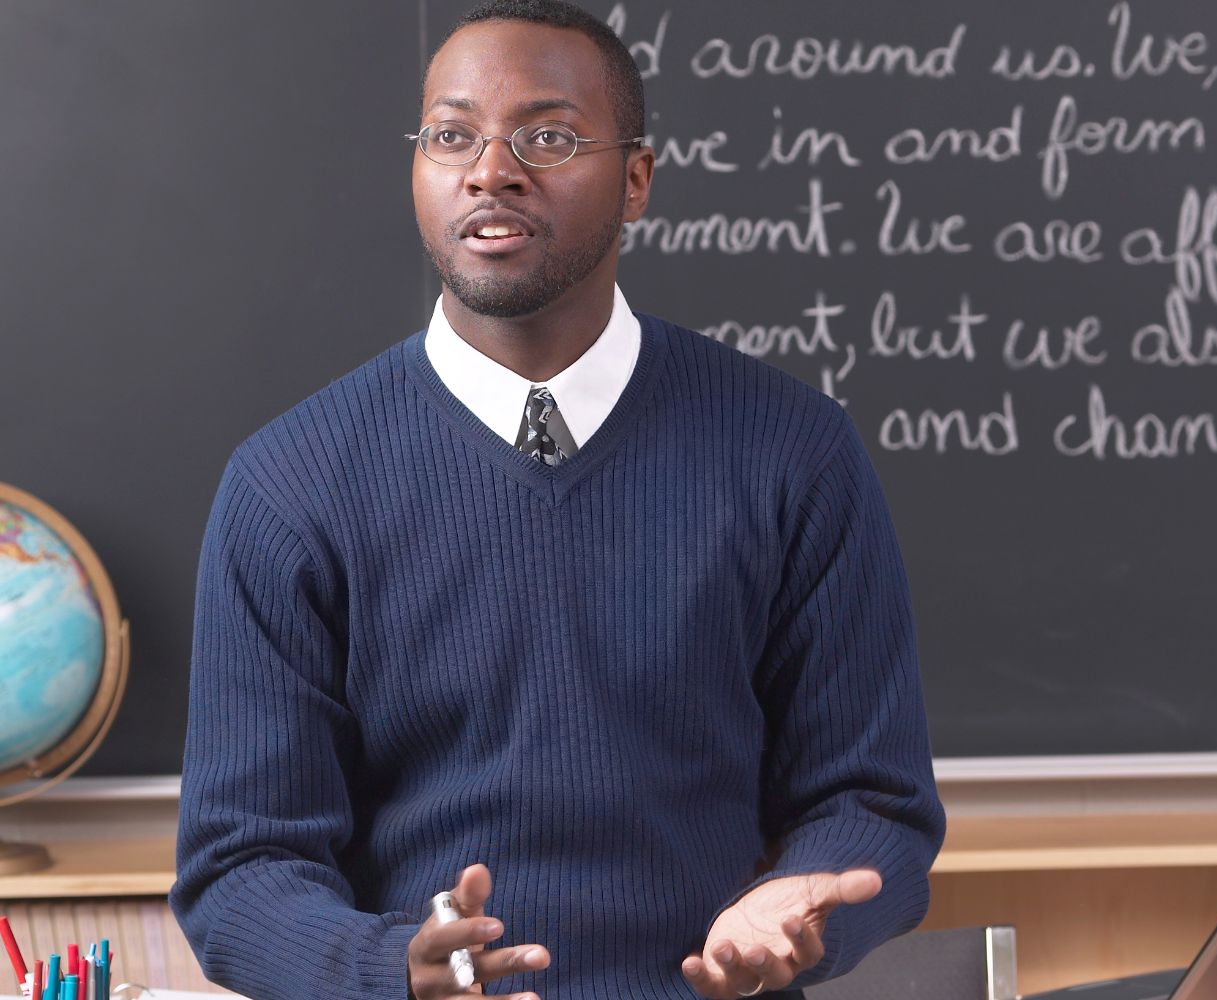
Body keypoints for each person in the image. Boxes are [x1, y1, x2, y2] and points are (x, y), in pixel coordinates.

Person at [168, 2, 945, 998]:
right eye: (452, 136)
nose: (490, 170)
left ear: (636, 181)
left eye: (547, 137)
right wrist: (388, 969)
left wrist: (799, 902)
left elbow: (873, 801)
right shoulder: (289, 483)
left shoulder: (794, 451)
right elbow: (241, 870)